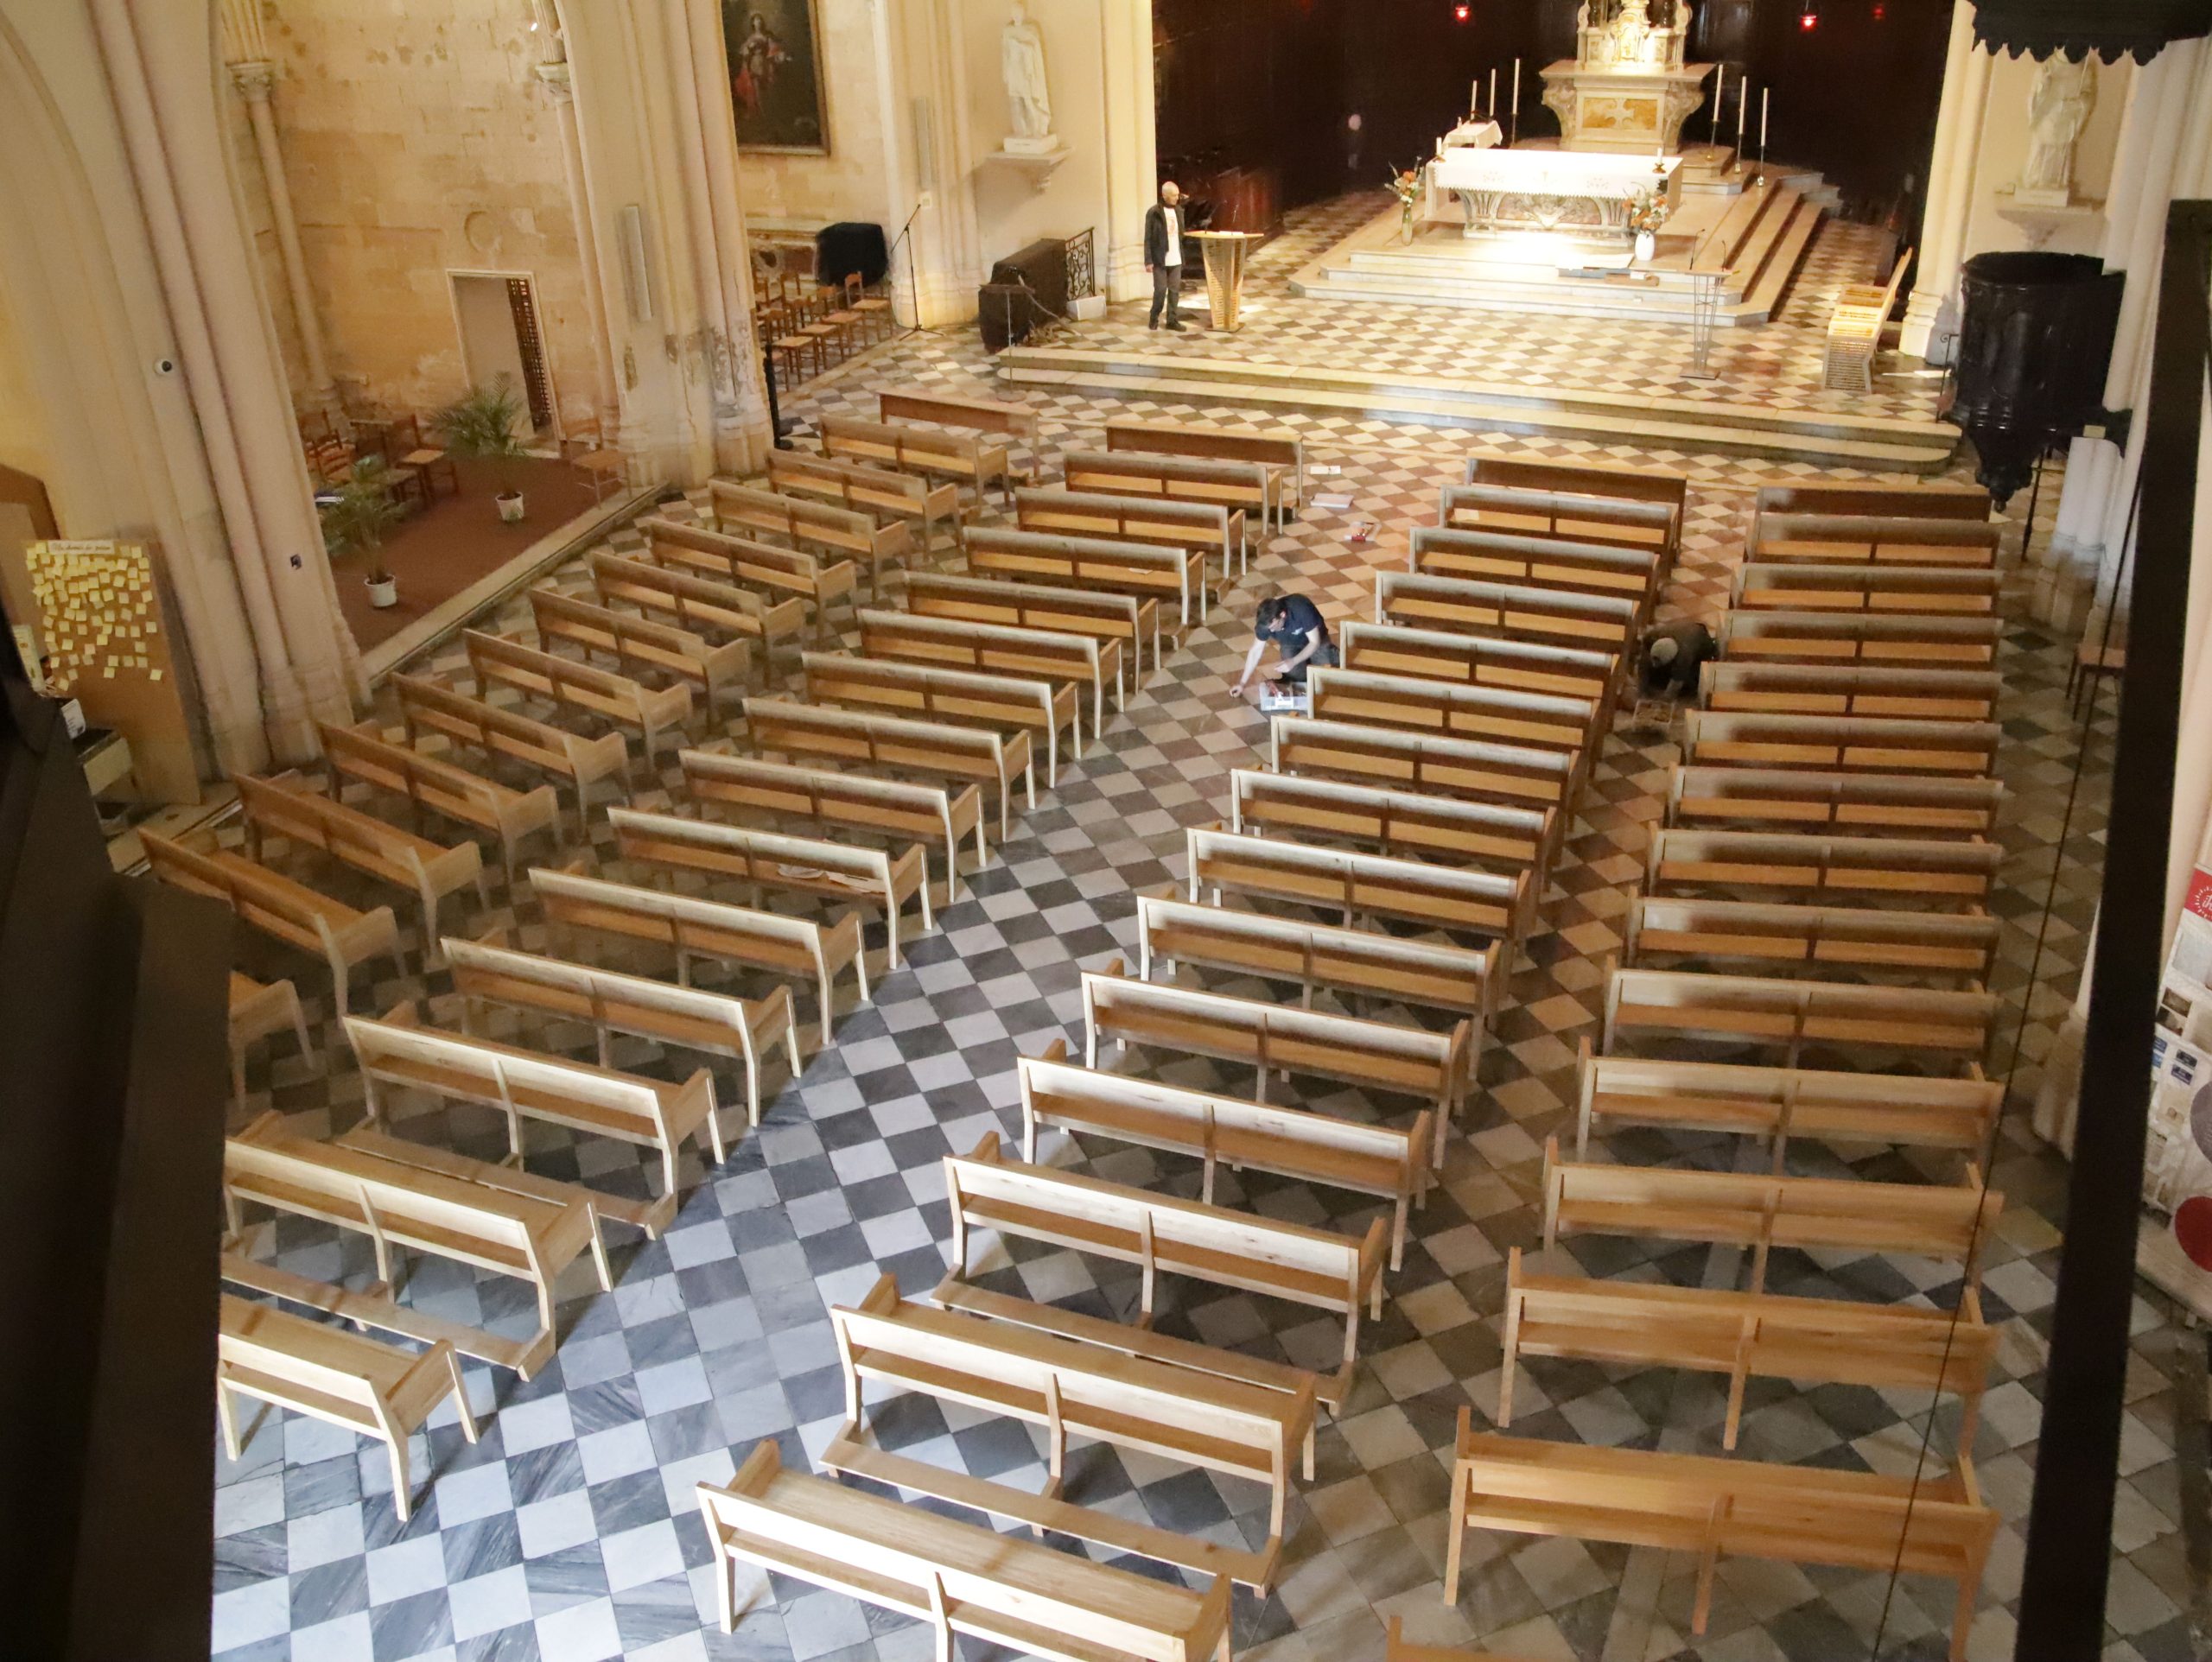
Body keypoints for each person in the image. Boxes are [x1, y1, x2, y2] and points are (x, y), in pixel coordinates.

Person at [1234, 593, 1337, 704]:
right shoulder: (1265, 623)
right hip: (1291, 643)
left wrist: (1293, 661)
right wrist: (1242, 683)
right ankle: (1304, 667)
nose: (1271, 631)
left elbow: (1314, 642)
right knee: (1295, 675)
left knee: (1325, 676)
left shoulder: (1301, 609)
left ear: (1282, 615)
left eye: (1273, 627)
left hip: (1317, 639)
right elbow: (1255, 651)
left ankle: (1333, 654)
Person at [1637, 617, 1716, 700]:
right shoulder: (1652, 635)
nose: (1654, 664)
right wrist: (1642, 689)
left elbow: (1674, 687)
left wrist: (1662, 701)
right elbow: (1643, 661)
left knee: (1689, 684)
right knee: (1653, 673)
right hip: (1685, 633)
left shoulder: (1684, 657)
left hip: (1701, 656)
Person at [1144, 181, 1185, 332]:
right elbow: (1148, 238)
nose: (1176, 198)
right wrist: (1148, 260)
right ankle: (1154, 316)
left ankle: (1172, 320)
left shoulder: (1179, 210)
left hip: (1176, 257)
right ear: (1164, 196)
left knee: (1174, 291)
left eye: (1177, 195)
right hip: (1160, 259)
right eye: (1173, 196)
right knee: (1160, 290)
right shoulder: (1154, 212)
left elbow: (1181, 233)